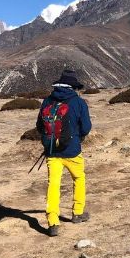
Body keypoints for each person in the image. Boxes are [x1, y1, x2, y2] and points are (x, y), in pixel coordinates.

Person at [36, 69, 92, 236]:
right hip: (72, 150)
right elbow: (86, 127)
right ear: (73, 86)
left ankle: (53, 221)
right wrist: (78, 137)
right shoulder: (79, 102)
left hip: (52, 151)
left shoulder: (47, 101)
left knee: (53, 184)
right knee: (79, 178)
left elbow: (39, 127)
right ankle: (77, 212)